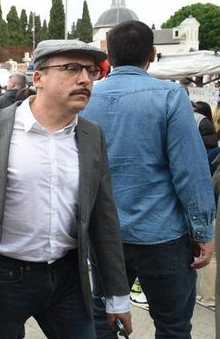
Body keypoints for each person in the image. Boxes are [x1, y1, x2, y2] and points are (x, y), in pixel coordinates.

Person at [0, 39, 132, 339]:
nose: (84, 79)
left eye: (90, 71)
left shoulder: (91, 135)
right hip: (4, 277)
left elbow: (104, 219)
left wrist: (117, 295)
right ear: (38, 78)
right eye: (71, 68)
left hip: (67, 276)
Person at [81, 20, 215, 338]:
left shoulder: (87, 100)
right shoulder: (169, 96)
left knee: (103, 321)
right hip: (162, 233)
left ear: (108, 57)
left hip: (104, 234)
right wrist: (203, 229)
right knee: (172, 325)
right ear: (153, 54)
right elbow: (190, 170)